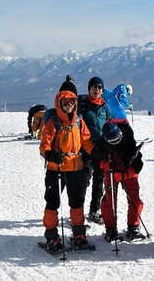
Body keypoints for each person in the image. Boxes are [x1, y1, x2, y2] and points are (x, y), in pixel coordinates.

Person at [39, 81, 96, 252]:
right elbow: (44, 144)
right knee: (53, 201)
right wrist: (49, 154)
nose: (69, 105)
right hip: (55, 169)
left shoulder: (79, 122)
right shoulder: (53, 122)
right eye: (65, 102)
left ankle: (79, 234)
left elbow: (86, 142)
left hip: (75, 168)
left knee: (77, 202)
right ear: (60, 103)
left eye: (72, 102)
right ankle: (51, 236)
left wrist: (96, 153)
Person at [96, 119, 145, 241]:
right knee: (109, 200)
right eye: (113, 141)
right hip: (111, 171)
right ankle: (111, 229)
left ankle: (133, 226)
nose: (116, 142)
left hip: (128, 170)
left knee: (135, 199)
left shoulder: (128, 136)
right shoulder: (102, 143)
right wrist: (105, 164)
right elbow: (98, 158)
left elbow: (138, 162)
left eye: (118, 138)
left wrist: (127, 173)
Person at [78, 77, 112, 223]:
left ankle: (94, 210)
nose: (96, 89)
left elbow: (110, 125)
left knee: (99, 180)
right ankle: (78, 213)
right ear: (89, 88)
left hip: (101, 149)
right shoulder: (83, 105)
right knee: (83, 180)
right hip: (85, 148)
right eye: (94, 86)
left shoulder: (105, 107)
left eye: (99, 87)